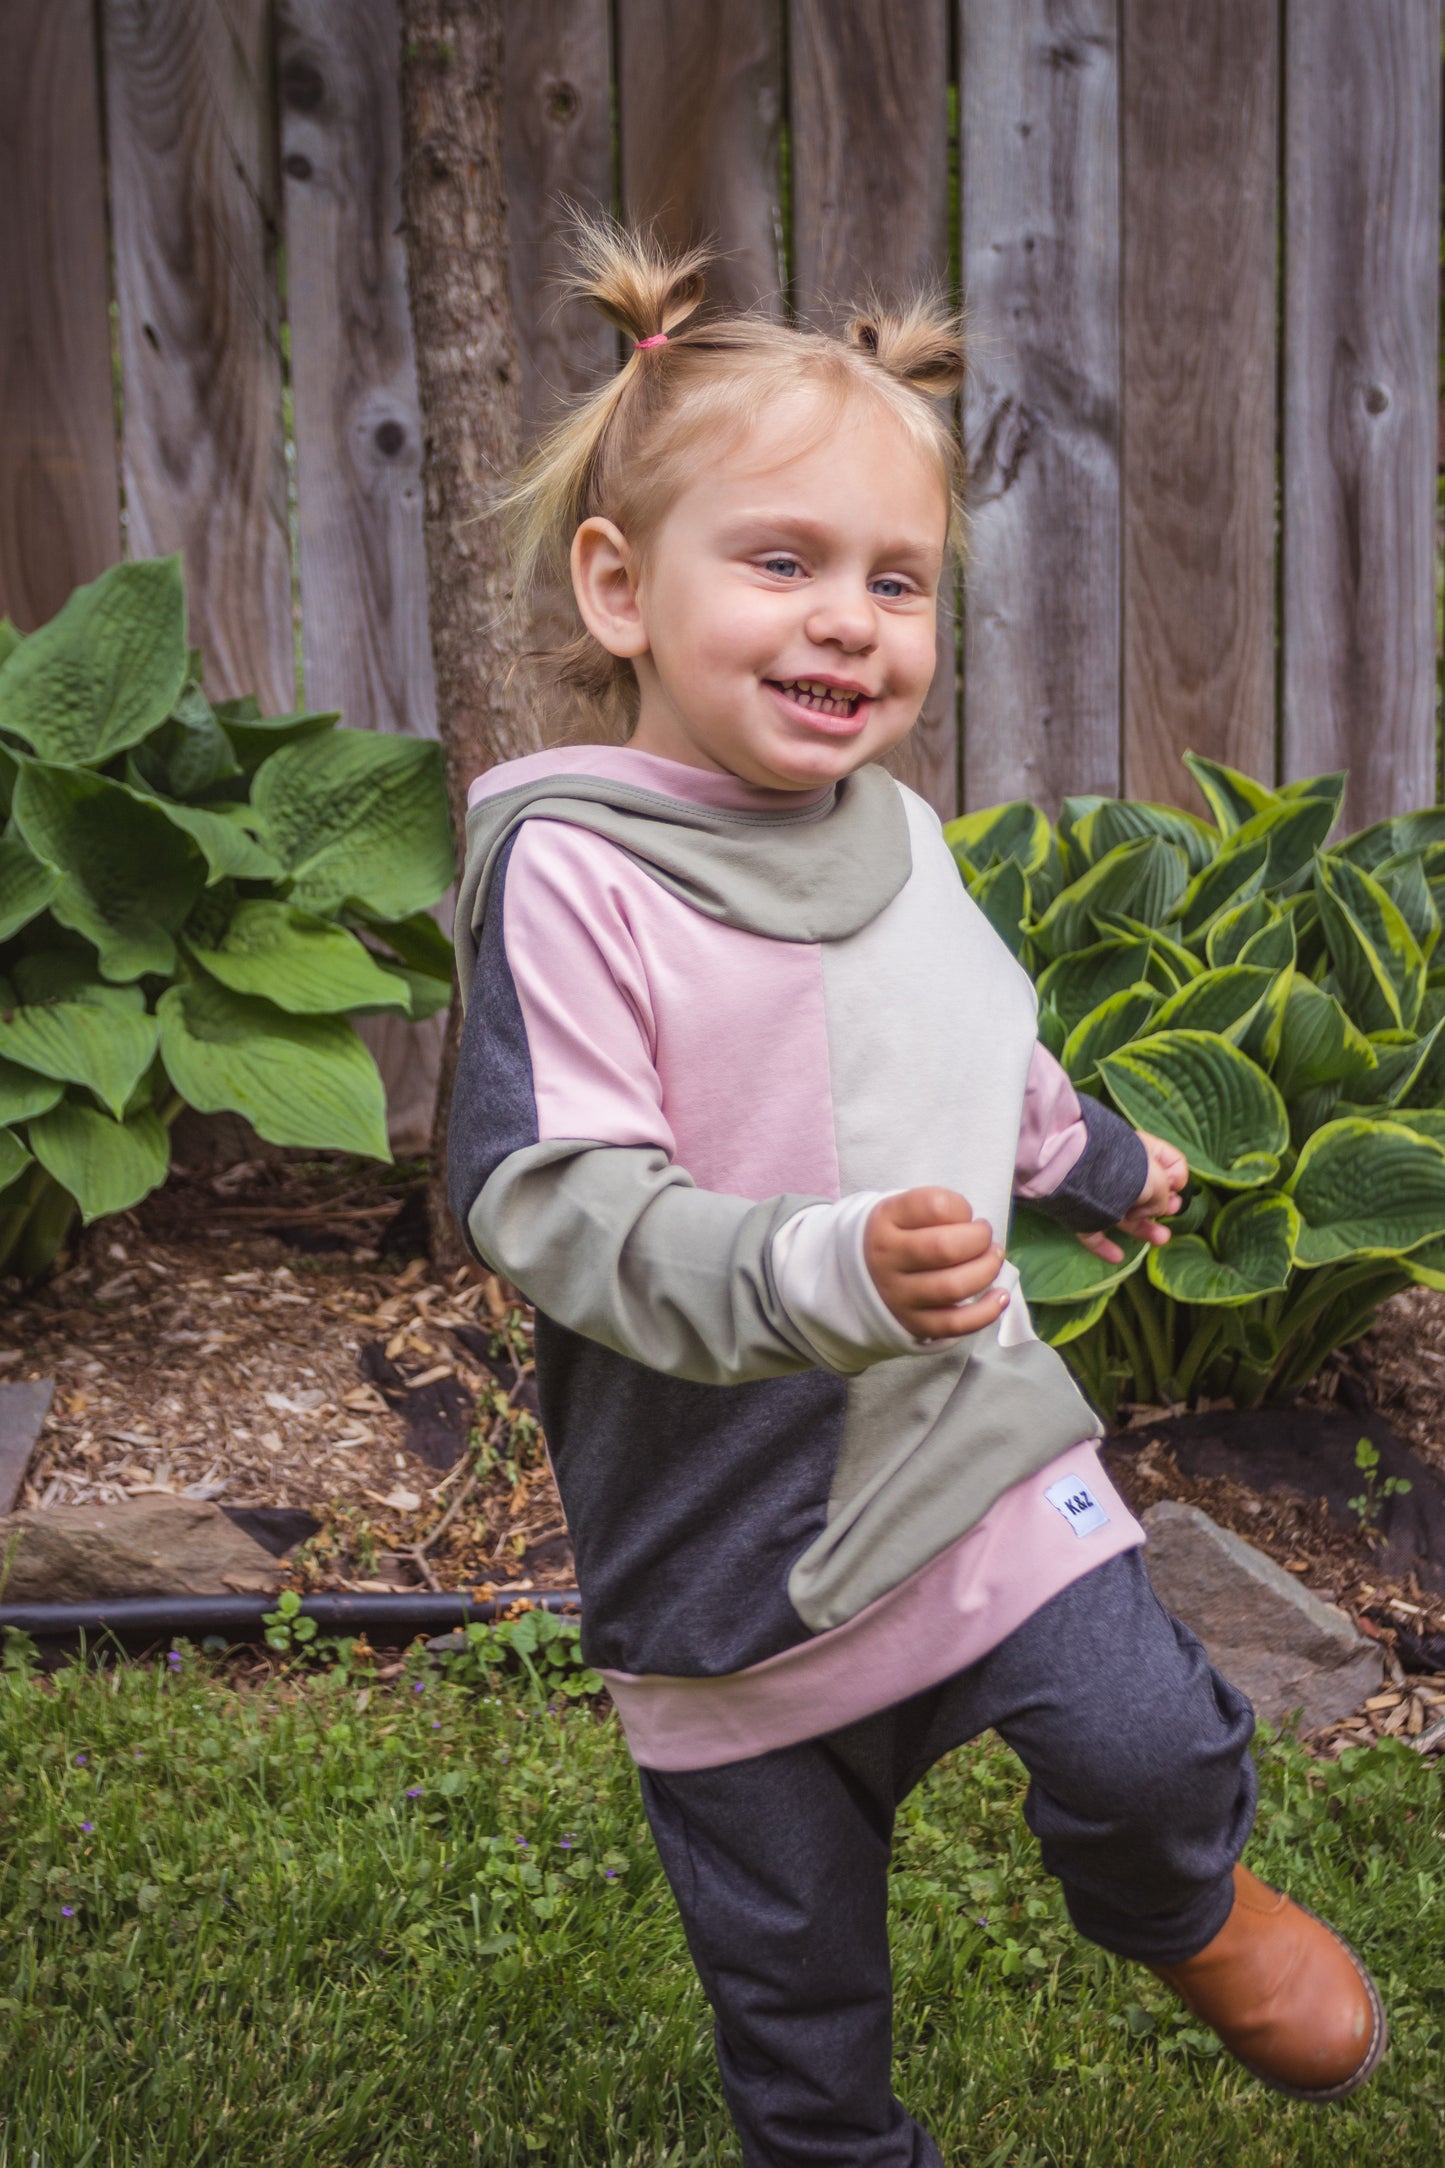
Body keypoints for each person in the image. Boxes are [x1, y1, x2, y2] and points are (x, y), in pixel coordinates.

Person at [446, 221, 1387, 2165]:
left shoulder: (885, 831)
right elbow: (554, 1202)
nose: (849, 621)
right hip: (725, 1537)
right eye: (781, 563)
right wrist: (827, 1264)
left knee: (1135, 1731)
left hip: (960, 1436)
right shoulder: (572, 875)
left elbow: (957, 1029)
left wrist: (1088, 1152)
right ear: (621, 587)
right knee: (794, 1984)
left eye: (896, 578)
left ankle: (1181, 1899)